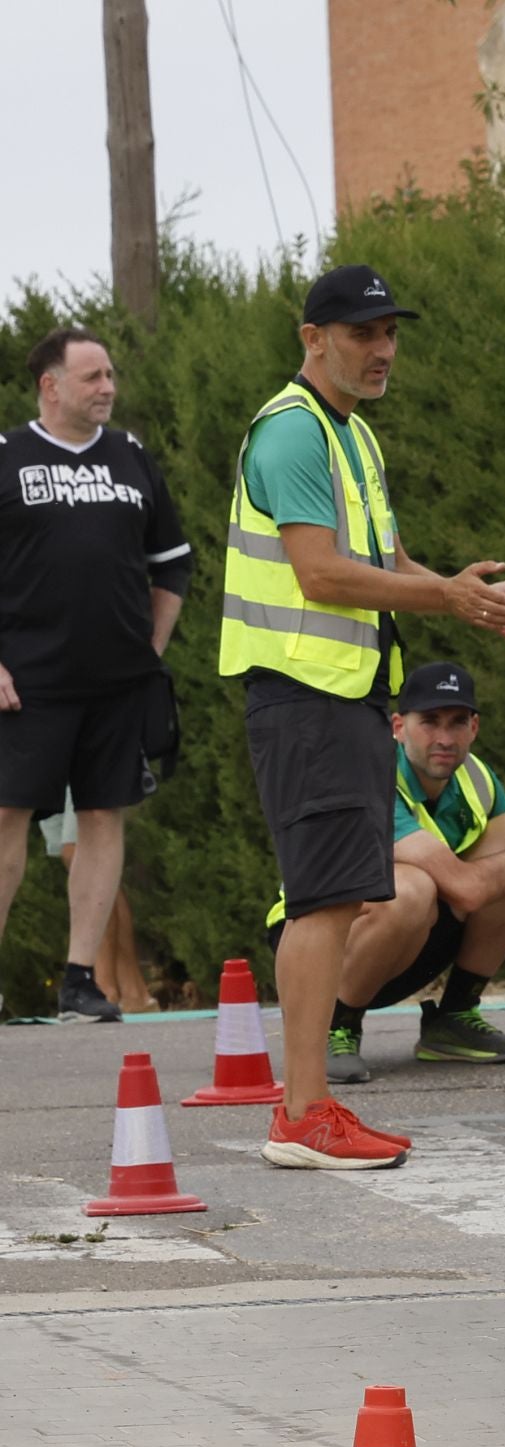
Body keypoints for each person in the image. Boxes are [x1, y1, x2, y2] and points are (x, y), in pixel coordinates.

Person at [222, 264, 505, 1170]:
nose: (382, 350)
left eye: (390, 333)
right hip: (305, 695)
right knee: (320, 905)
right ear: (312, 338)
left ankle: (308, 1109)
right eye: (363, 333)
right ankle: (302, 1115)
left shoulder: (352, 438)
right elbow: (322, 574)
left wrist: (468, 597)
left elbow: (389, 557)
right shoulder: (293, 434)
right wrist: (448, 603)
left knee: (336, 899)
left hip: (344, 698)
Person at [266, 661, 505, 1083]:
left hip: (412, 938)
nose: (444, 738)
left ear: (475, 728)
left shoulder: (477, 778)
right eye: (429, 722)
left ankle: (455, 1017)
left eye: (457, 722)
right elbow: (467, 891)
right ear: (397, 726)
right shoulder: (371, 778)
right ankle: (334, 1026)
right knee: (412, 888)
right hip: (318, 946)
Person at [0, 326, 191, 1023]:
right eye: (92, 377)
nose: (108, 387)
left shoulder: (130, 457)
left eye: (110, 374)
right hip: (27, 682)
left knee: (106, 816)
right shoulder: (9, 457)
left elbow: (172, 560)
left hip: (117, 682)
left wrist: (153, 649)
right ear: (50, 386)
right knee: (7, 817)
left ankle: (81, 979)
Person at [41, 792, 155, 1014]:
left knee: (81, 850)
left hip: (82, 760)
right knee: (78, 857)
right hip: (42, 761)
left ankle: (104, 986)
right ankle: (135, 993)